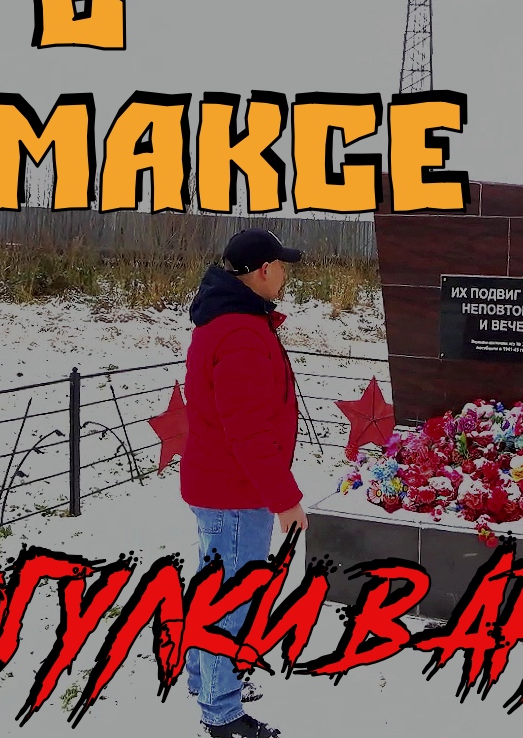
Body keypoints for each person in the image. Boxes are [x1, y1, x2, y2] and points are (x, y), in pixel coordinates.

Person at [181, 228, 309, 738]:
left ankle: (205, 678)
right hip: (233, 493)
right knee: (231, 600)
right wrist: (285, 500)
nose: (286, 275)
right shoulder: (240, 333)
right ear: (263, 270)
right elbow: (249, 431)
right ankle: (223, 715)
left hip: (222, 487)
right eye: (282, 266)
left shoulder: (233, 321)